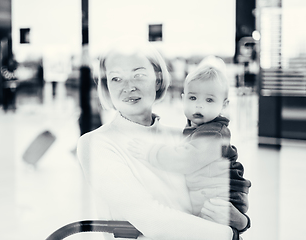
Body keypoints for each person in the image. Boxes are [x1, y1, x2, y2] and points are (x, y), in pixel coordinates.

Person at [77, 36, 249, 240]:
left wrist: (242, 221)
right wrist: (230, 235)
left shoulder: (184, 140)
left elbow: (219, 193)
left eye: (138, 75)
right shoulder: (96, 144)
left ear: (157, 79)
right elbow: (150, 219)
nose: (128, 86)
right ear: (106, 86)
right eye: (116, 78)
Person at [129, 56, 251, 234]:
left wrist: (151, 152)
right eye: (193, 98)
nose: (199, 106)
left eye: (209, 100)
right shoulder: (199, 129)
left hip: (225, 198)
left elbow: (186, 159)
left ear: (224, 105)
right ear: (183, 99)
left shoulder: (214, 133)